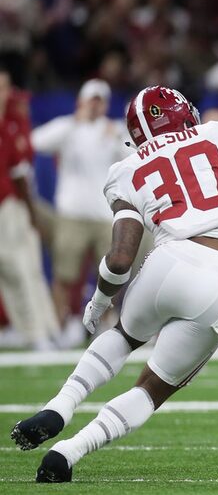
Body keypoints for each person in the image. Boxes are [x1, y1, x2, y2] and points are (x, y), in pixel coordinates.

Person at [10, 85, 218, 483]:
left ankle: (60, 405)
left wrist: (98, 303)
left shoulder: (125, 169)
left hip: (169, 261)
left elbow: (119, 258)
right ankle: (69, 451)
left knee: (123, 335)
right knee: (151, 389)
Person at [32, 79, 132, 346]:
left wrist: (116, 138)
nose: (95, 105)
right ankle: (60, 326)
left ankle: (105, 325)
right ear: (82, 101)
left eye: (100, 101)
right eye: (92, 100)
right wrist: (74, 122)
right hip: (72, 214)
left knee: (110, 276)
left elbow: (134, 155)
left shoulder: (114, 130)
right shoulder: (68, 127)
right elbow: (36, 141)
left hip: (105, 215)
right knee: (64, 275)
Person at [0, 67, 60, 350]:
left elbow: (18, 175)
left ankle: (40, 331)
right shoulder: (10, 125)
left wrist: (29, 211)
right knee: (13, 270)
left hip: (9, 204)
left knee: (21, 268)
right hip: (12, 203)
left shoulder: (11, 126)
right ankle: (27, 328)